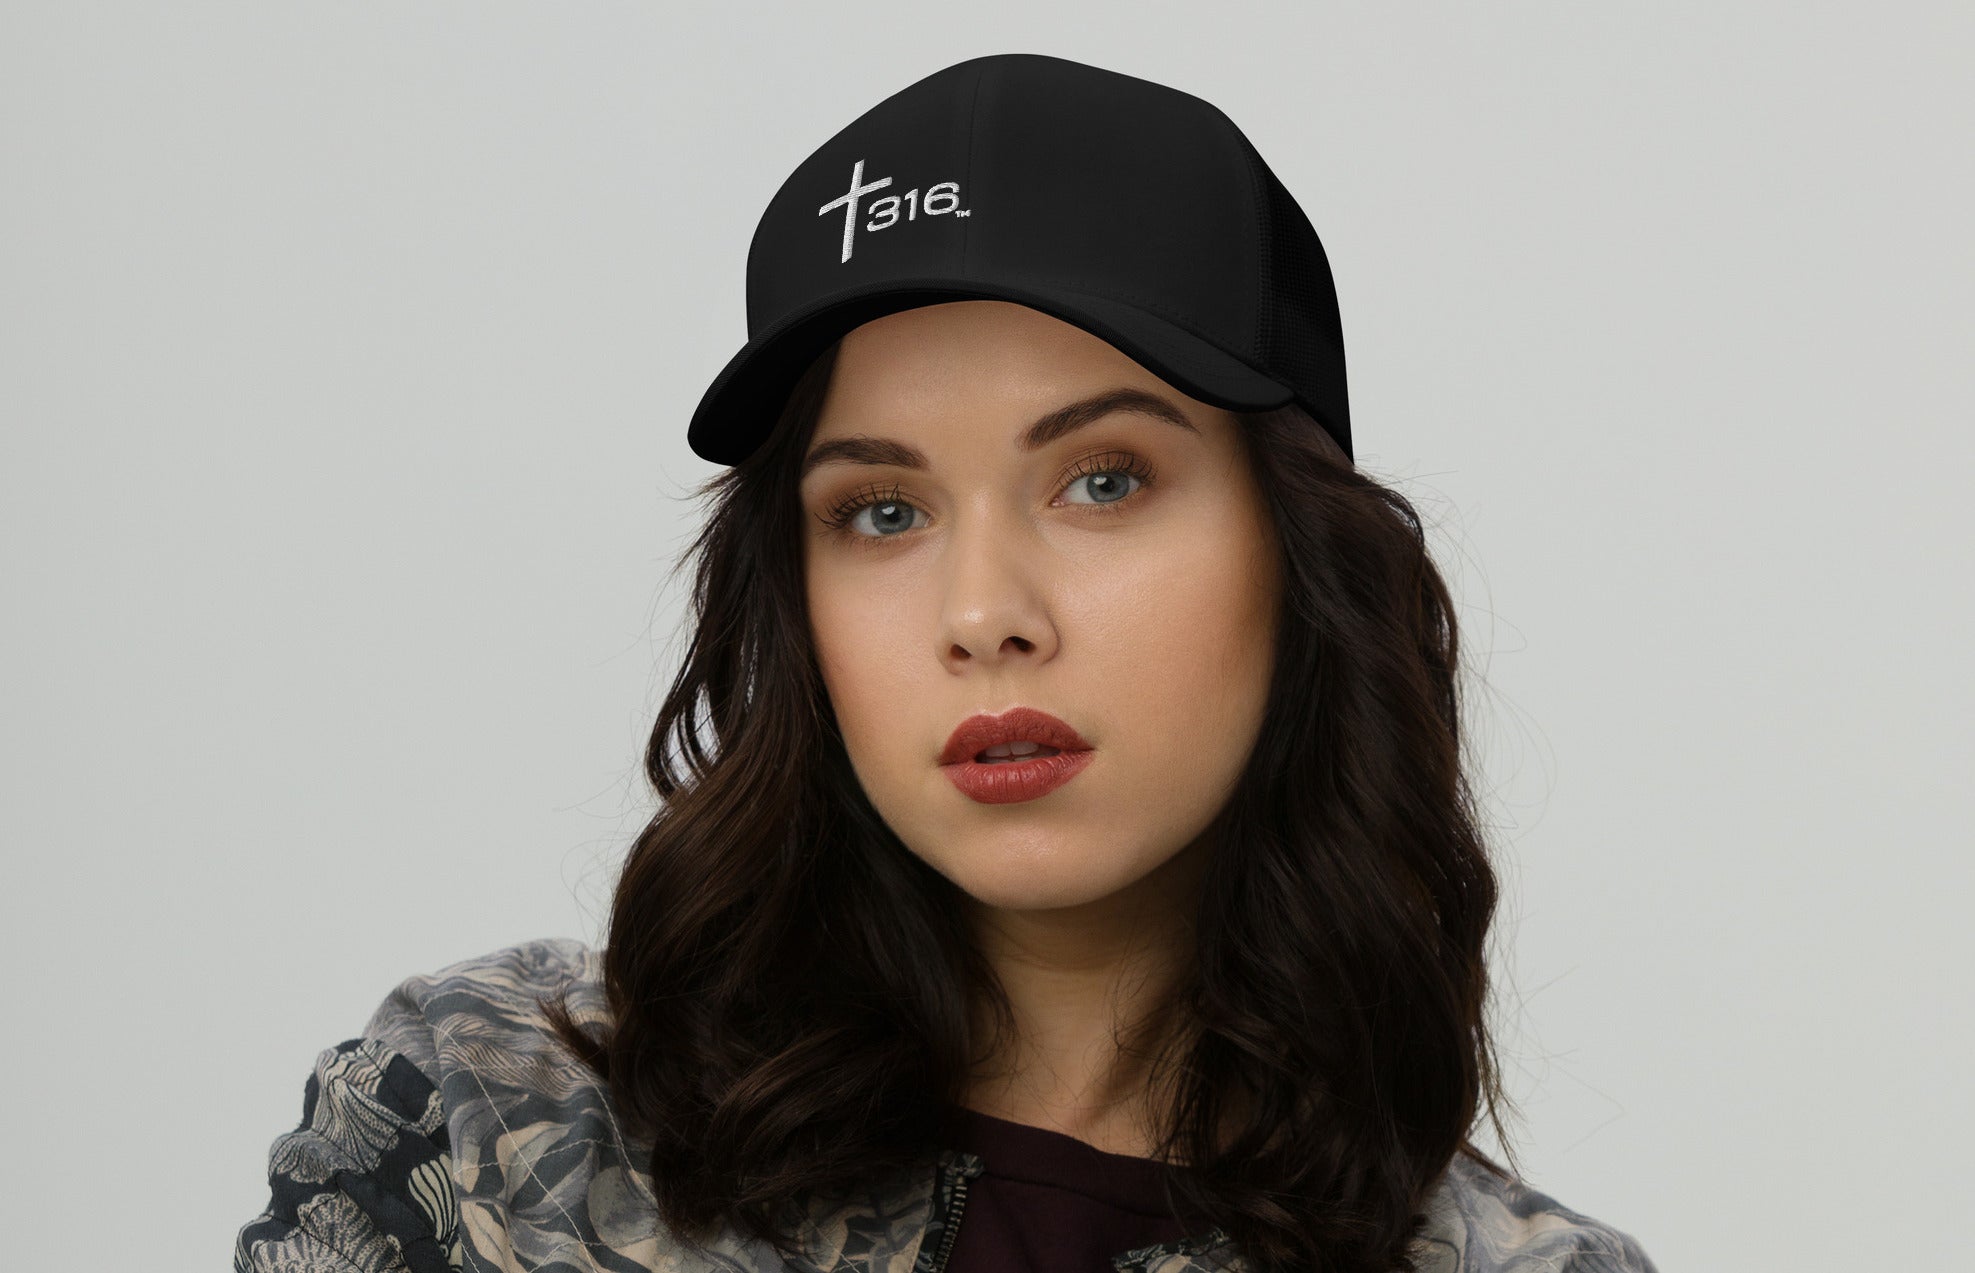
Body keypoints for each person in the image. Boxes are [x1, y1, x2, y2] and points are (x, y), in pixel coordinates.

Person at [235, 52, 1659, 1273]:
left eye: (1103, 480)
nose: (984, 611)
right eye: (883, 510)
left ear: (1299, 551)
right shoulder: (482, 1126)